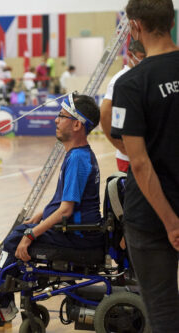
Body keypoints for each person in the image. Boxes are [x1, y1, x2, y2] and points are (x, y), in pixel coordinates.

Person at [0, 93, 103, 322]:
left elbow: (66, 210)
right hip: (77, 231)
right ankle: (0, 298)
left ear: (77, 124)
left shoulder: (78, 158)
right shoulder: (77, 154)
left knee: (16, 238)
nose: (56, 120)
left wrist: (31, 235)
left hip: (78, 237)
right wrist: (40, 216)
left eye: (61, 116)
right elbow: (63, 202)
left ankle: (0, 303)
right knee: (20, 231)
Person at [111, 0, 179, 331]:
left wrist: (171, 223)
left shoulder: (130, 84)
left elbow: (138, 162)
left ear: (135, 26)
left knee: (163, 313)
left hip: (152, 220)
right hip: (156, 220)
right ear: (172, 20)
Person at [101, 40, 145, 172]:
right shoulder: (119, 80)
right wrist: (119, 145)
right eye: (143, 57)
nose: (146, 60)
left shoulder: (145, 75)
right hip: (128, 158)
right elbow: (104, 114)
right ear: (130, 55)